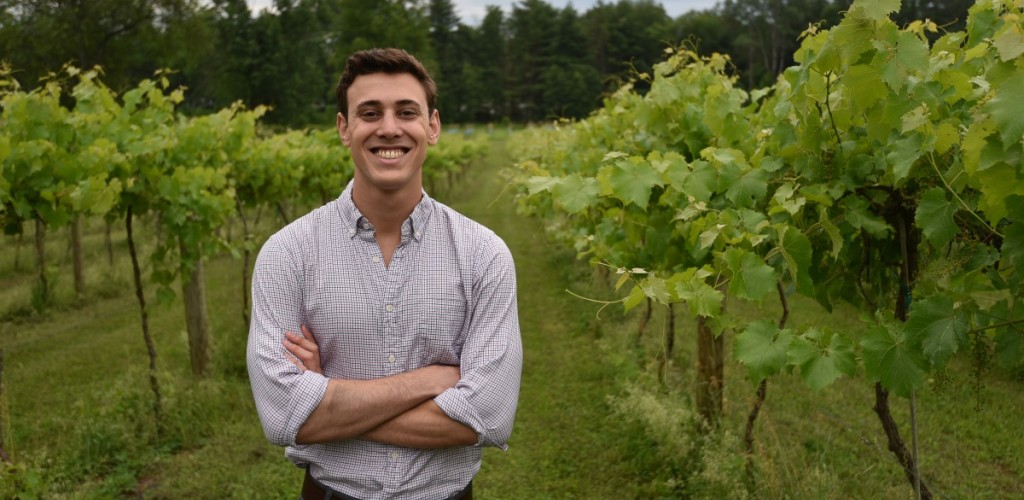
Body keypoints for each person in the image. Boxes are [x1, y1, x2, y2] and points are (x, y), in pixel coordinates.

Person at [246, 48, 523, 500]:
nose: (389, 128)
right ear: (344, 128)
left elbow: (489, 417)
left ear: (432, 126)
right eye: (370, 113)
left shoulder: (483, 254)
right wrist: (432, 381)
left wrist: (328, 399)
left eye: (406, 112)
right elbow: (283, 417)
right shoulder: (287, 253)